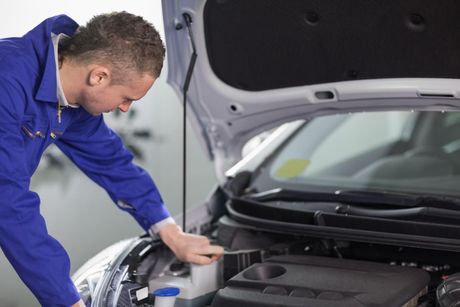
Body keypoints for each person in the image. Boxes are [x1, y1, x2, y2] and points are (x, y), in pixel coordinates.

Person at [0, 11, 223, 307]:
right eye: (126, 97)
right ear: (99, 76)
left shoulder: (74, 97)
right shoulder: (7, 81)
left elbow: (111, 161)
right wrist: (68, 300)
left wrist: (170, 231)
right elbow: (9, 201)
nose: (125, 108)